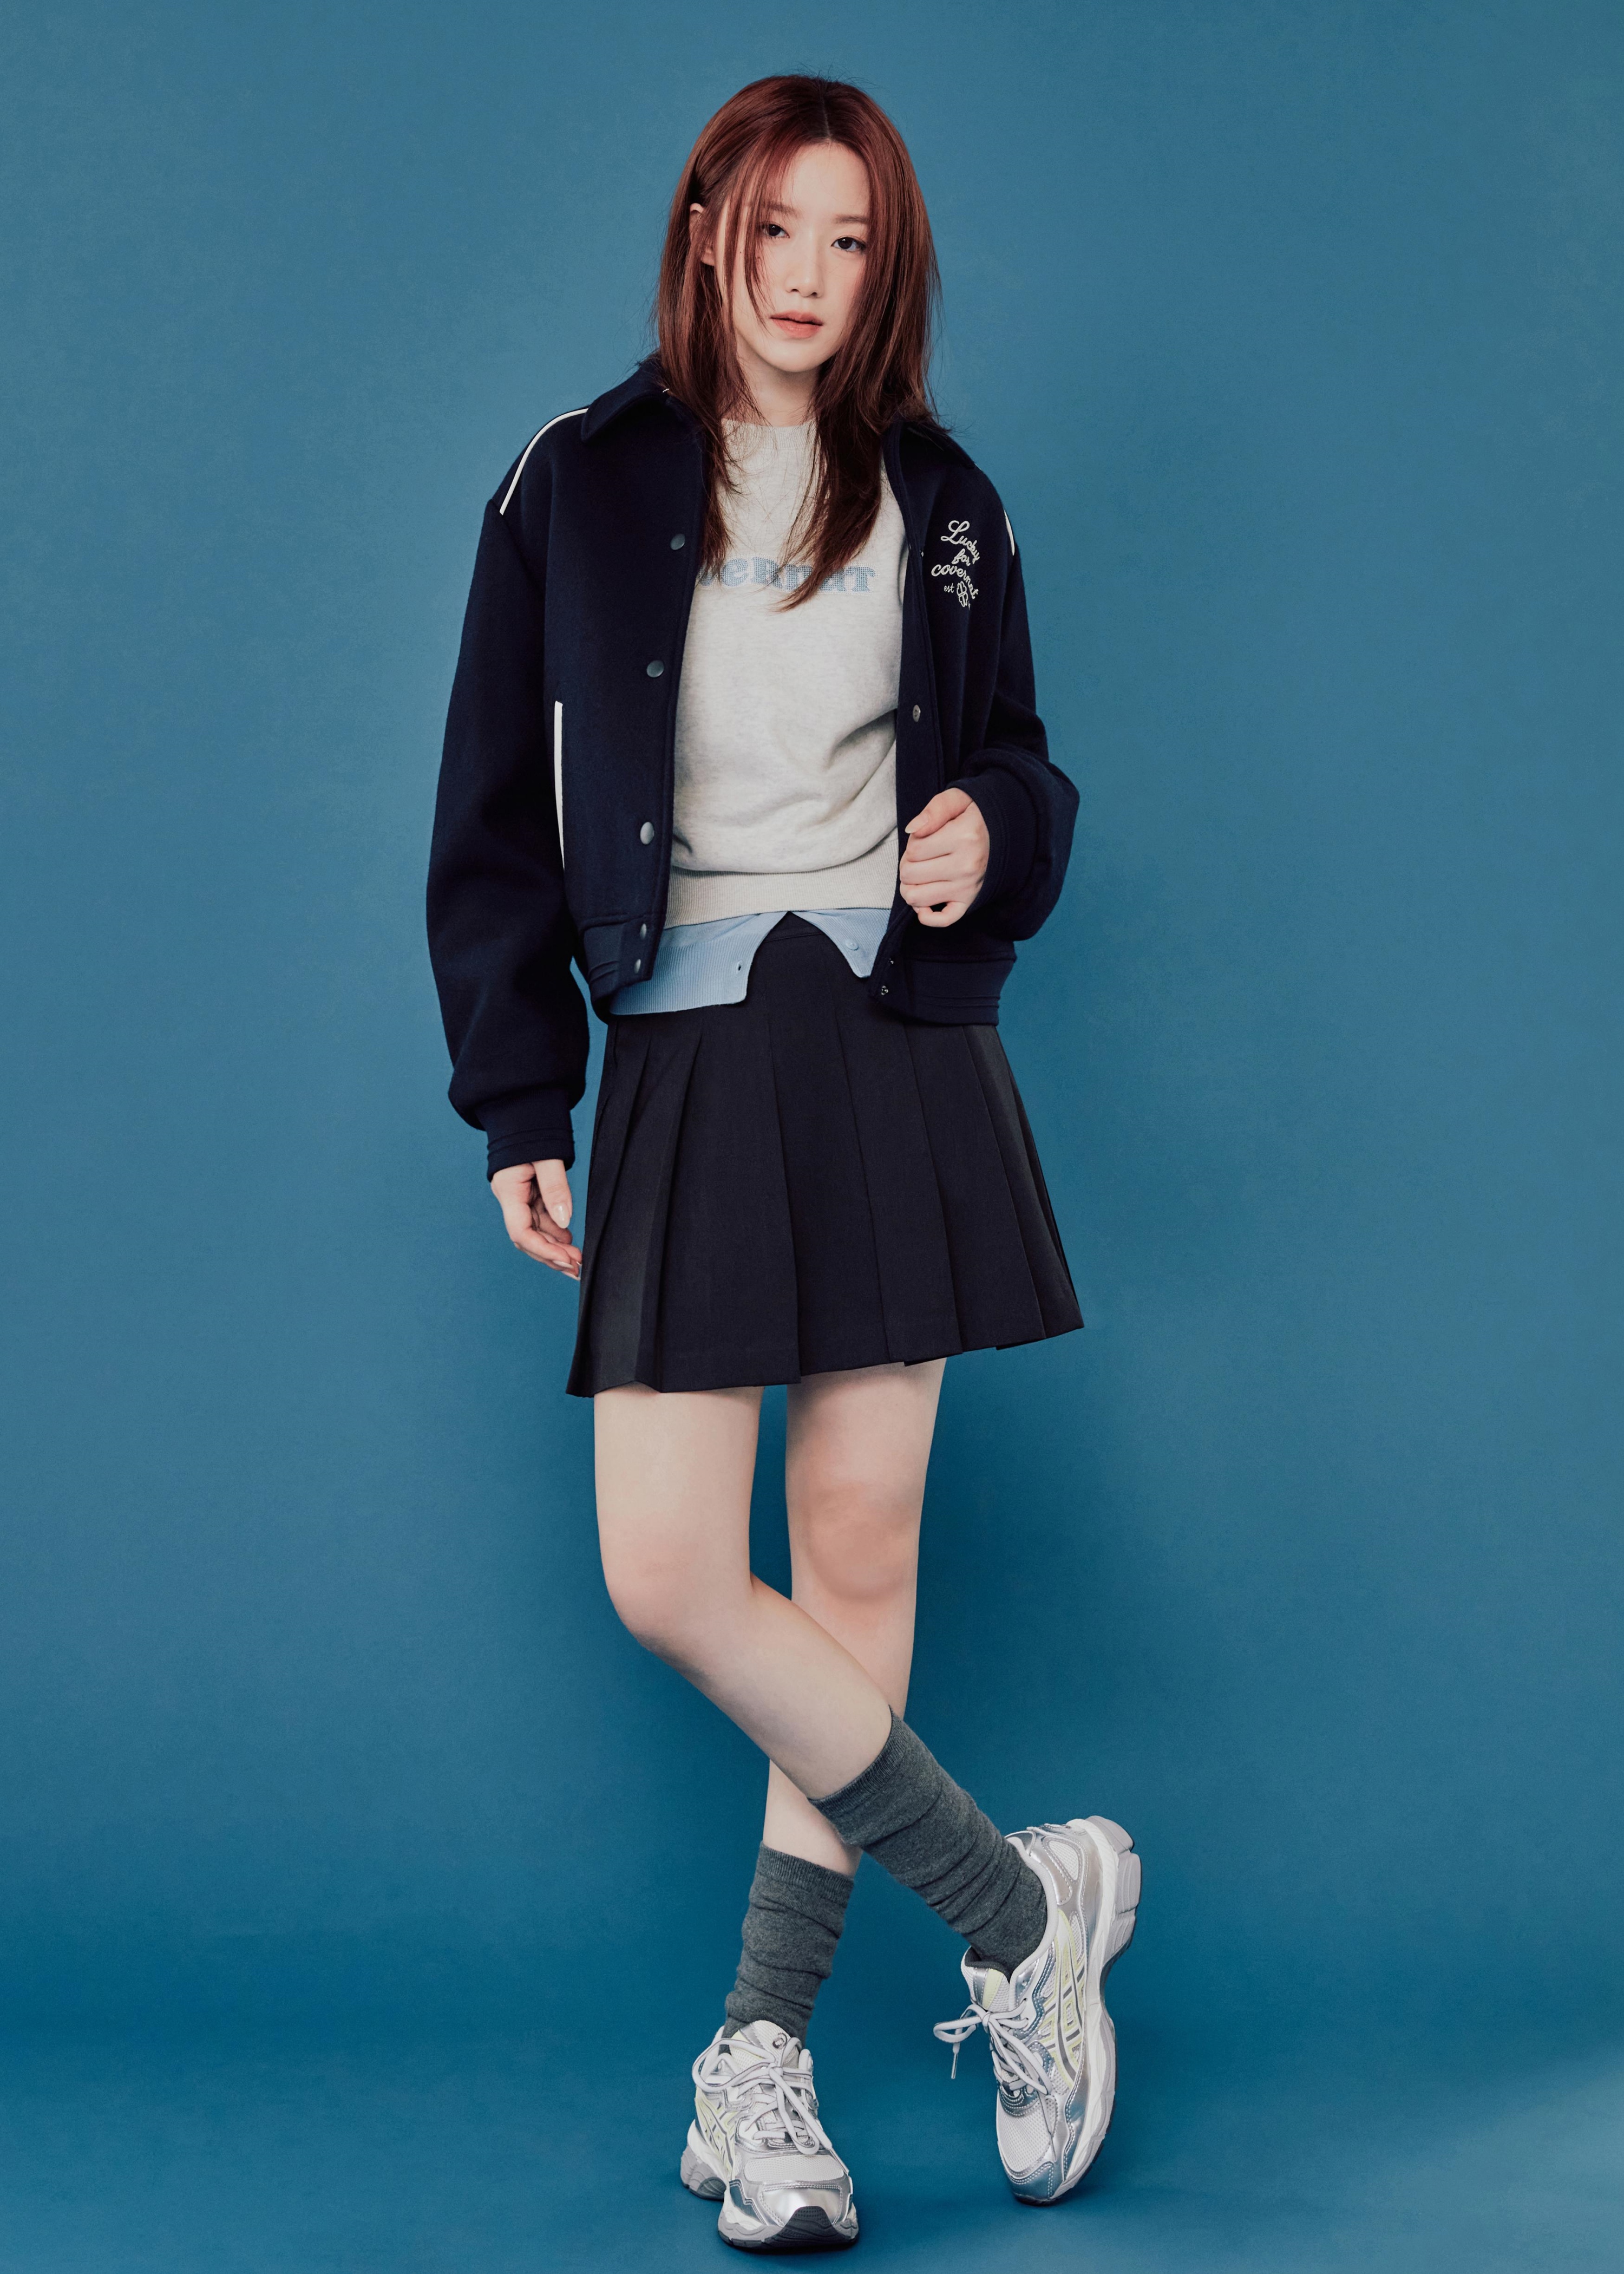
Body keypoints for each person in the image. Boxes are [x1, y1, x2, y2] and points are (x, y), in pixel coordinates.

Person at [427, 73, 1138, 2255]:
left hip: (896, 1047)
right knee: (668, 1570)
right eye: (779, 232)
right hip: (684, 1051)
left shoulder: (943, 499)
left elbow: (1026, 764)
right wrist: (520, 1097)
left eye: (854, 241)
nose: (813, 277)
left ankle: (762, 2063)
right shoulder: (576, 479)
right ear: (708, 233)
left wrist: (990, 831)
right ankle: (1022, 1912)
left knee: (852, 1549)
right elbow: (490, 813)